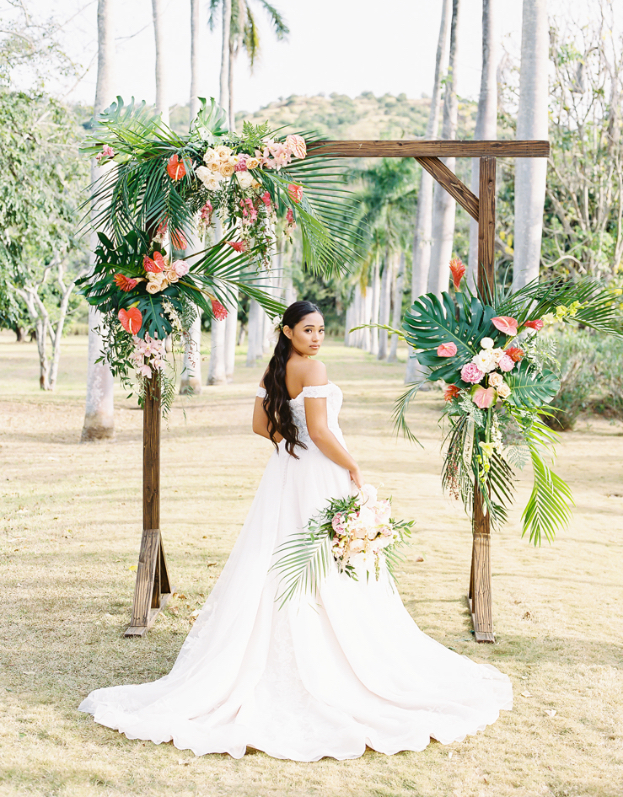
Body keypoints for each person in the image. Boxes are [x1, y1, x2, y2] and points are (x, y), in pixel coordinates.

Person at [79, 300, 512, 761]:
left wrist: (290, 447)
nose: (317, 337)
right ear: (288, 331)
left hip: (288, 473)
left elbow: (259, 425)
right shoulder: (315, 369)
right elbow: (323, 432)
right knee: (324, 559)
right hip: (319, 470)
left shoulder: (274, 370)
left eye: (322, 330)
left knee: (282, 555)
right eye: (308, 330)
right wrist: (353, 466)